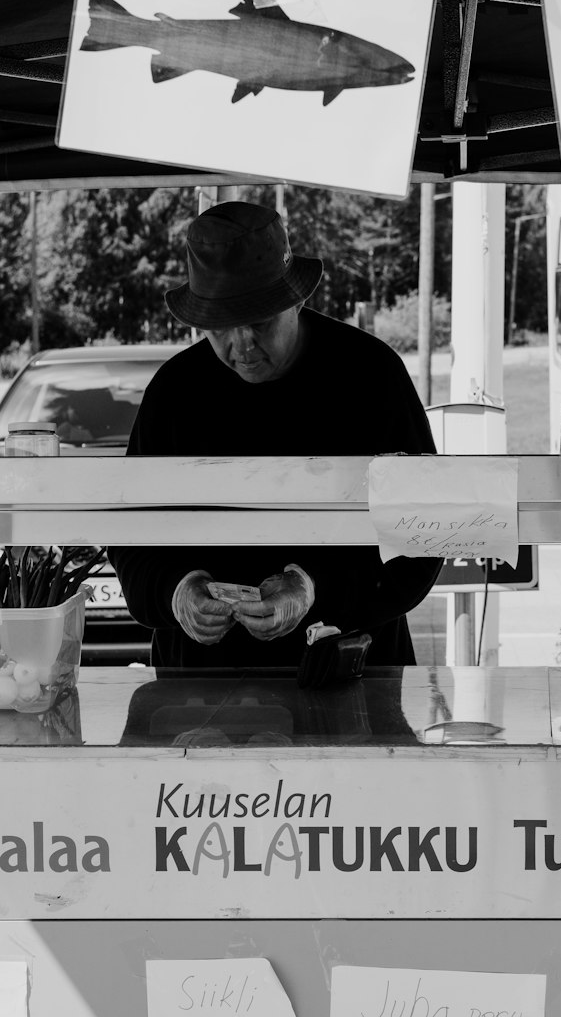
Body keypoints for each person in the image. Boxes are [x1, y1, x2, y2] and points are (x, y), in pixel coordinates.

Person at [108, 200, 442, 676]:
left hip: (347, 671)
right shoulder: (174, 392)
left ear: (297, 299)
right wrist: (175, 591)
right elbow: (129, 534)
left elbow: (422, 532)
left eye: (260, 322)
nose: (241, 346)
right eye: (220, 328)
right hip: (204, 690)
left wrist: (313, 588)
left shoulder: (370, 375)